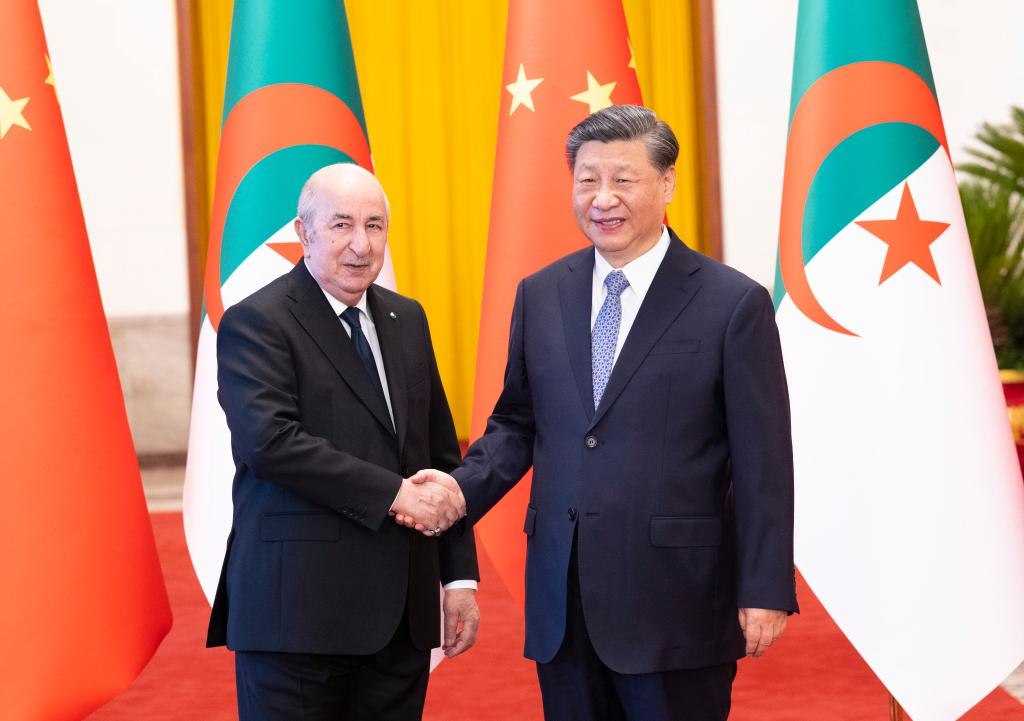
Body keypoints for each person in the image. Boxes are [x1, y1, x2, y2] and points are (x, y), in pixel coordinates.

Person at [400, 105, 797, 721]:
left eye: (623, 179)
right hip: (564, 599)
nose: (602, 198)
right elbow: (517, 424)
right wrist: (457, 490)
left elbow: (763, 460)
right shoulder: (540, 294)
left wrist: (765, 586)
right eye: (587, 180)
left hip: (678, 601)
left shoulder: (731, 303)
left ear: (667, 183)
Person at [206, 163, 479, 721]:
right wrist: (395, 495)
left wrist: (458, 578)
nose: (361, 244)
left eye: (375, 225)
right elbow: (271, 443)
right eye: (341, 225)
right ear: (303, 233)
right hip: (298, 616)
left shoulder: (407, 318)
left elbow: (438, 458)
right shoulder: (256, 322)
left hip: (401, 619)